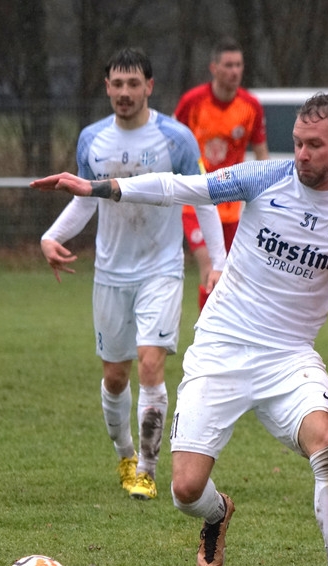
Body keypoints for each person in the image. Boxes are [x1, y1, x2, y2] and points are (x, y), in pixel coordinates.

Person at [32, 93, 328, 566]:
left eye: (315, 145)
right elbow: (178, 187)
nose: (302, 154)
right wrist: (97, 187)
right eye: (298, 142)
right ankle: (217, 512)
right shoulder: (264, 178)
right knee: (185, 490)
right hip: (220, 350)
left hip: (289, 358)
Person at [37, 48, 225, 501]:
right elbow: (86, 198)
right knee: (115, 377)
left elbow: (202, 197)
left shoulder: (176, 139)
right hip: (110, 273)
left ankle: (147, 469)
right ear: (107, 87)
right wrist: (51, 236)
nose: (125, 92)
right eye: (117, 84)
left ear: (149, 87)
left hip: (161, 269)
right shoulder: (91, 139)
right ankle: (125, 453)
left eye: (133, 84)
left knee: (151, 363)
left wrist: (218, 262)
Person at [173, 37, 268, 309]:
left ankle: (224, 329)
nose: (234, 71)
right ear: (213, 68)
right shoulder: (193, 102)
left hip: (232, 207)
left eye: (238, 65)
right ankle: (206, 331)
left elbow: (262, 155)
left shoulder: (250, 106)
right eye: (228, 65)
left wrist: (268, 195)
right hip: (196, 201)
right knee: (209, 268)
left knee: (229, 276)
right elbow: (171, 143)